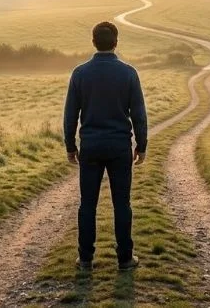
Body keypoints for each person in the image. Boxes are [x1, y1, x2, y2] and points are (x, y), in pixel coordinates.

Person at [63, 21, 147, 272]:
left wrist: (70, 145)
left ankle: (86, 259)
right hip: (120, 146)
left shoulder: (80, 73)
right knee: (122, 204)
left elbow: (70, 114)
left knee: (87, 204)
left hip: (90, 146)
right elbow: (139, 114)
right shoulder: (129, 73)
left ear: (93, 42)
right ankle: (125, 259)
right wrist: (141, 146)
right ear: (116, 42)